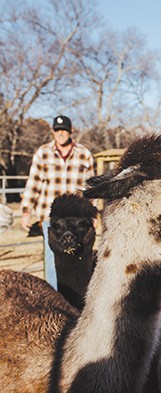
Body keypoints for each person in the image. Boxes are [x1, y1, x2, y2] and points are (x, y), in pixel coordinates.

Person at [20, 115, 95, 289]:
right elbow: (34, 182)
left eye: (64, 130)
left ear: (71, 131)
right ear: (53, 132)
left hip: (78, 220)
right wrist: (26, 210)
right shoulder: (43, 153)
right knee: (52, 260)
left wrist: (93, 213)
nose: (60, 133)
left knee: (81, 262)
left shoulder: (84, 154)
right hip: (52, 218)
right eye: (57, 130)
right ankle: (56, 300)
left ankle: (78, 303)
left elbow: (90, 186)